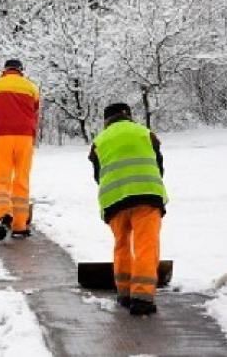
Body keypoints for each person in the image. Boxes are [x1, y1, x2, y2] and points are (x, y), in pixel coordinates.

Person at [88, 103, 168, 316]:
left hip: (114, 200)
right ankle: (141, 298)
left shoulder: (99, 142)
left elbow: (98, 175)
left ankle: (124, 293)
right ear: (129, 116)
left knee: (121, 244)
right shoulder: (145, 134)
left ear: (106, 121)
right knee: (145, 245)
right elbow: (159, 166)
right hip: (147, 196)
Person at [0, 59, 40, 241]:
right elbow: (35, 114)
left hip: (1, 137)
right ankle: (20, 227)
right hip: (25, 139)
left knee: (0, 179)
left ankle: (4, 214)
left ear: (4, 70)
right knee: (21, 179)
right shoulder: (32, 88)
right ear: (21, 71)